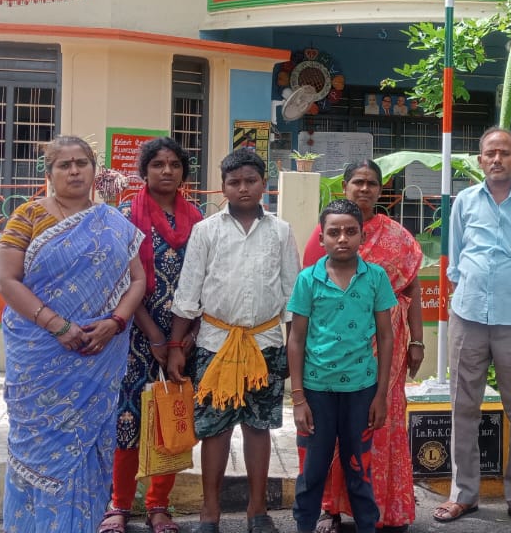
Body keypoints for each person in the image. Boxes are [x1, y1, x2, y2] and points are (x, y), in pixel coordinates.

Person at [0, 135, 147, 533]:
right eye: (65, 165)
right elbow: (6, 280)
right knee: (37, 450)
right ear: (50, 173)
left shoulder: (114, 222)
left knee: (87, 448)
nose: (75, 171)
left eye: (82, 163)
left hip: (97, 356)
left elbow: (138, 280)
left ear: (95, 170)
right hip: (40, 357)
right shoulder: (28, 216)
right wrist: (57, 326)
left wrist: (115, 323)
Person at [433, 127, 511, 531]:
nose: (497, 159)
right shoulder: (465, 201)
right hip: (468, 316)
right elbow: (455, 258)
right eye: (490, 153)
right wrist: (467, 286)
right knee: (463, 407)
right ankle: (463, 494)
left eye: (504, 153)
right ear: (480, 159)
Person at [166, 148, 300, 533]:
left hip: (265, 344)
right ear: (223, 187)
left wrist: (294, 351)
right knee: (215, 429)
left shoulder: (280, 231)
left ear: (264, 184)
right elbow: (188, 293)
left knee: (258, 429)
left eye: (250, 181)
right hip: (214, 344)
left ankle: (257, 511)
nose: (243, 188)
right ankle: (210, 513)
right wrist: (175, 348)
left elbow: (292, 297)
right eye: (234, 182)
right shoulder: (206, 231)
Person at [302, 161, 424, 533]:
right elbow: (309, 299)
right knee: (333, 433)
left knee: (383, 425)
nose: (365, 188)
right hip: (335, 354)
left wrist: (417, 340)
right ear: (345, 186)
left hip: (388, 347)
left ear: (380, 189)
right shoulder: (324, 233)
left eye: (372, 183)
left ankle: (388, 510)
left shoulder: (398, 235)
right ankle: (331, 508)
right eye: (358, 182)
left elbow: (413, 287)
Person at [102, 138, 204, 533]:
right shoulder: (125, 217)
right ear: (144, 171)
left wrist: (185, 337)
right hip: (134, 335)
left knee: (172, 419)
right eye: (158, 164)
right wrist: (155, 337)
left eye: (174, 164)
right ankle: (119, 505)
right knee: (128, 421)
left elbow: (207, 282)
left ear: (183, 172)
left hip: (183, 340)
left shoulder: (198, 220)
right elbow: (121, 281)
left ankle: (159, 505)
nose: (167, 171)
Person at [289, 199, 397, 533]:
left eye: (351, 231)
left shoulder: (375, 277)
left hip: (361, 391)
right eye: (334, 232)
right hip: (317, 391)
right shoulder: (308, 280)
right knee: (313, 471)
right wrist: (298, 398)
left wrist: (380, 395)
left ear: (362, 236)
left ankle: (367, 526)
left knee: (358, 468)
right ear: (321, 238)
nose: (342, 238)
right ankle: (304, 525)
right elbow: (296, 339)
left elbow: (386, 336)